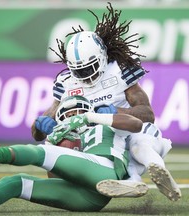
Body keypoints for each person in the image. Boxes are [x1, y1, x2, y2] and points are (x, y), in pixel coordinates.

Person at [31, 3, 181, 201]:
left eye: (88, 68)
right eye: (78, 71)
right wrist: (40, 125)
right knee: (54, 146)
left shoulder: (119, 70)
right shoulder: (65, 82)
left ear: (101, 58)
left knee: (138, 143)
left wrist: (115, 112)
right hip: (96, 143)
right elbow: (38, 133)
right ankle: (127, 182)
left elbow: (147, 114)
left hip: (128, 131)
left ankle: (154, 173)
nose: (84, 76)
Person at [0, 96, 144, 214]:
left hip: (105, 168)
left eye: (79, 111)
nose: (74, 115)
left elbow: (136, 124)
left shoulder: (104, 123)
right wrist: (56, 141)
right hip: (89, 198)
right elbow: (56, 180)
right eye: (68, 113)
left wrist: (90, 117)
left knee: (40, 152)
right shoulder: (59, 137)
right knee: (15, 182)